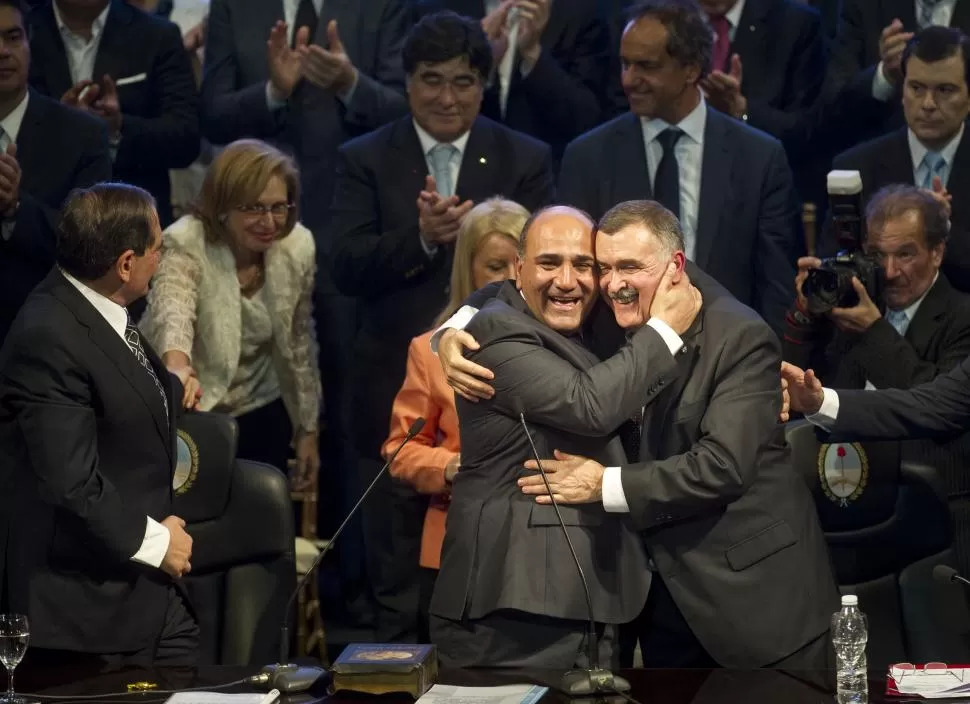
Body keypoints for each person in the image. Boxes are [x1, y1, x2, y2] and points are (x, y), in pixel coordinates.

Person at [438, 200, 838, 668]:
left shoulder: (738, 335)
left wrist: (603, 484)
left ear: (675, 268)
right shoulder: (606, 309)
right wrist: (448, 331)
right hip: (657, 599)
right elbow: (508, 294)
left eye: (627, 267)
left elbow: (722, 466)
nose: (611, 283)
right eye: (603, 267)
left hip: (752, 597)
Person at [329, 10, 555, 642]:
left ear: (484, 85)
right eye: (432, 80)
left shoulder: (525, 157)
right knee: (394, 583)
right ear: (406, 83)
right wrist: (421, 241)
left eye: (462, 82)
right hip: (393, 399)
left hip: (499, 396)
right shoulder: (364, 158)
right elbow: (343, 263)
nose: (447, 97)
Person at [430, 204, 703, 668]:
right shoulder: (494, 334)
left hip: (578, 598)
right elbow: (589, 406)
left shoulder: (582, 323)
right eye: (549, 262)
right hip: (515, 603)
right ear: (520, 269)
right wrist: (663, 332)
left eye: (584, 265)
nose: (567, 280)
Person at [0, 183, 198, 667]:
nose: (162, 259)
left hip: (140, 595)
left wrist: (171, 383)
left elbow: (118, 389)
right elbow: (72, 484)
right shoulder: (48, 334)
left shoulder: (95, 305)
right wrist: (158, 543)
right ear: (125, 264)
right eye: (158, 249)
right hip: (84, 613)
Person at [558, 0, 800, 335]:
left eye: (647, 66)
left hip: (727, 360)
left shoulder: (759, 158)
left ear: (691, 69)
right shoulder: (587, 157)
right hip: (615, 365)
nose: (629, 80)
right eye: (625, 64)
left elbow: (777, 288)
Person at [381, 197, 529, 643]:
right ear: (469, 270)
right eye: (494, 267)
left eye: (517, 267)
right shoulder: (429, 350)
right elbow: (400, 451)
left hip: (536, 551)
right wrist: (446, 468)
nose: (507, 281)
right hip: (454, 546)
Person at [140, 139, 322, 488]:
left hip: (263, 404)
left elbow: (300, 343)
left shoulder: (297, 245)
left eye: (278, 207)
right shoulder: (185, 241)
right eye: (254, 208)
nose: (269, 222)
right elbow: (172, 313)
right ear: (222, 206)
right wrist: (178, 368)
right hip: (193, 406)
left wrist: (307, 428)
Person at [27, 0, 201, 226]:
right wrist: (60, 124)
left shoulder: (157, 35)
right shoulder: (18, 33)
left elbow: (185, 139)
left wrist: (117, 129)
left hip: (135, 223)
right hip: (37, 223)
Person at [824, 26, 970, 289]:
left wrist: (944, 230)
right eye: (916, 88)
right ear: (902, 91)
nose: (927, 103)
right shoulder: (855, 168)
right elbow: (836, 269)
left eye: (944, 90)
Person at [0, 0, 111, 344]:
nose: (2, 51)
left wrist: (16, 209)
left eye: (13, 37)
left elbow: (93, 245)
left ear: (29, 44)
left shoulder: (81, 135)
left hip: (51, 339)